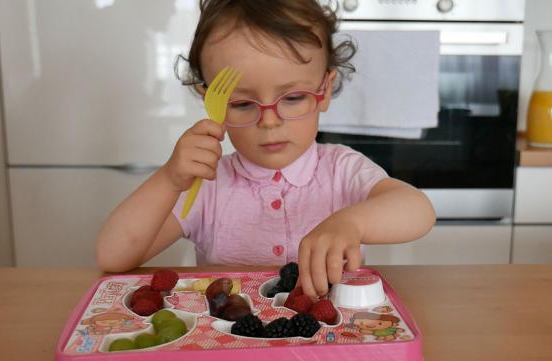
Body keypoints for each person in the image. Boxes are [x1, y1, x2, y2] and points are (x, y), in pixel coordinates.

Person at [96, 0, 436, 298]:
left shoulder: (342, 169)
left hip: (331, 338)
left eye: (293, 98)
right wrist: (170, 179)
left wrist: (353, 223)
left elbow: (418, 211)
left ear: (326, 89)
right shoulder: (206, 184)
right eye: (243, 103)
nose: (269, 121)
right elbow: (113, 256)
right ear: (210, 101)